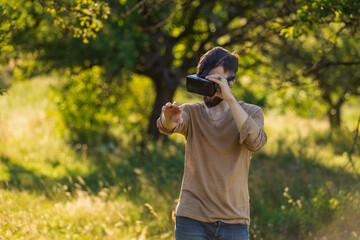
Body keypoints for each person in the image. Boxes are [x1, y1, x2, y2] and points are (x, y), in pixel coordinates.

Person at [157, 46, 267, 240]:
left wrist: (230, 100)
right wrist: (169, 118)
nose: (207, 89)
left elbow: (255, 142)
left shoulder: (252, 112)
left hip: (234, 220)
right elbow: (166, 127)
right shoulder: (191, 112)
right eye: (203, 80)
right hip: (192, 217)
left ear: (230, 83)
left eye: (214, 81)